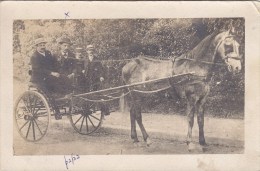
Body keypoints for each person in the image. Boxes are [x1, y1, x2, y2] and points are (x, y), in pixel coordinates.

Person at [30, 37, 64, 119]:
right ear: (36, 46)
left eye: (43, 45)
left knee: (62, 81)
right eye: (40, 45)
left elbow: (54, 64)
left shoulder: (48, 53)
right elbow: (38, 70)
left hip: (49, 78)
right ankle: (57, 112)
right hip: (39, 80)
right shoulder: (34, 56)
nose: (42, 47)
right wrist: (51, 73)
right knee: (50, 94)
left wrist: (58, 71)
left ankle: (65, 99)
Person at [83, 44, 110, 115]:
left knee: (97, 93)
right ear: (87, 51)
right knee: (87, 93)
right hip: (86, 79)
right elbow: (81, 67)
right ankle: (90, 107)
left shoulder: (97, 59)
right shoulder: (84, 59)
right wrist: (82, 71)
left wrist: (101, 76)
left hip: (95, 79)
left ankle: (100, 109)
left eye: (92, 50)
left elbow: (101, 69)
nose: (90, 51)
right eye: (89, 50)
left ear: (93, 51)